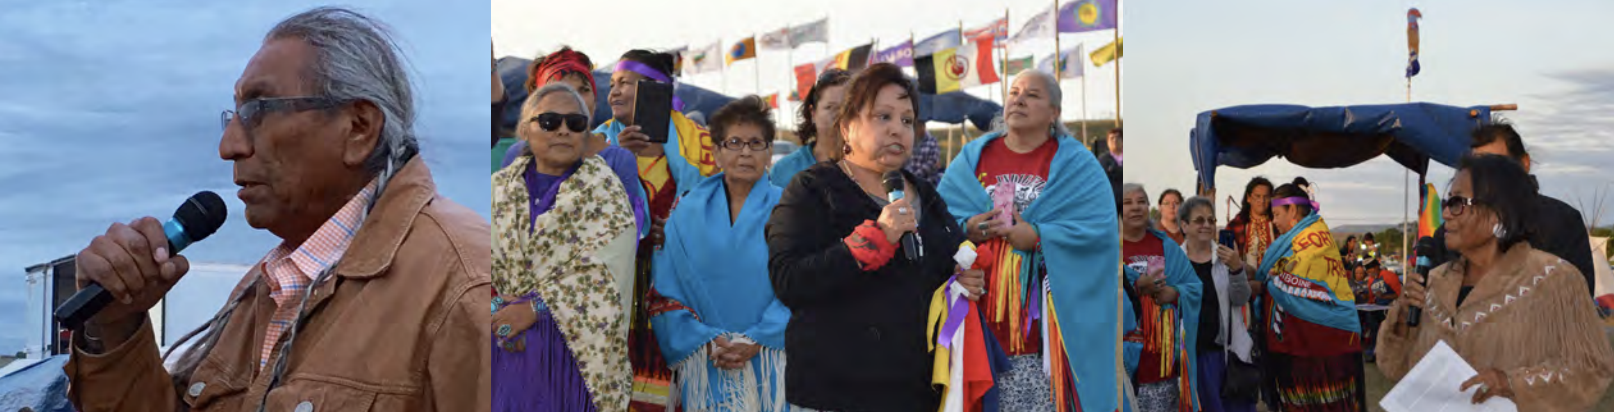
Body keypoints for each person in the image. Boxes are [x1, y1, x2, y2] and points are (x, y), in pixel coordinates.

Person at [63, 8, 490, 411]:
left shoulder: (469, 286)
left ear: (358, 128)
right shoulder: (269, 286)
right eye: (235, 114)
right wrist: (115, 326)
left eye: (258, 110)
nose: (229, 146)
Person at [766, 63, 985, 411]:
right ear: (848, 128)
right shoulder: (812, 188)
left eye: (907, 120)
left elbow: (949, 264)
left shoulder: (926, 194)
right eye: (882, 117)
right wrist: (873, 240)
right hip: (836, 393)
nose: (897, 129)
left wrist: (963, 281)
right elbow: (788, 280)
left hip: (915, 389)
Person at [937, 69, 1122, 412]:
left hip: (1047, 340)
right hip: (980, 328)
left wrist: (1039, 236)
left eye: (1033, 95)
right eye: (1014, 92)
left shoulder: (1078, 165)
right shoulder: (970, 159)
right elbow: (938, 222)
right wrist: (969, 227)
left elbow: (1099, 234)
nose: (1019, 99)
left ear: (1054, 112)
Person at [1378, 154, 1614, 411]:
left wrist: (1511, 383)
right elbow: (1394, 368)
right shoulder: (1433, 282)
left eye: (1457, 203)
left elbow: (1592, 370)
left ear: (1496, 214)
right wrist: (1402, 322)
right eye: (1447, 202)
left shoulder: (1554, 280)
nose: (1445, 213)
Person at [491, 83, 636, 410]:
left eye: (575, 123)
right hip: (500, 349)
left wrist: (536, 308)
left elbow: (608, 274)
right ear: (525, 130)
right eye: (549, 122)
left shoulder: (605, 193)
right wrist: (495, 308)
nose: (563, 131)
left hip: (571, 361)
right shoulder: (497, 191)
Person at [595, 49, 722, 410]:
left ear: (655, 90)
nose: (614, 92)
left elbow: (723, 205)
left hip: (679, 289)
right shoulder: (597, 142)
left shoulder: (699, 143)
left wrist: (685, 227)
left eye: (626, 84)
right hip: (616, 289)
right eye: (613, 84)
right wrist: (616, 159)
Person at [650, 96, 791, 411]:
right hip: (706, 361)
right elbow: (664, 289)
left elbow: (805, 282)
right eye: (734, 142)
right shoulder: (685, 210)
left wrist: (761, 338)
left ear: (770, 152)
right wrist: (707, 340)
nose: (745, 152)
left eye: (756, 143)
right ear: (715, 151)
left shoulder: (791, 208)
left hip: (773, 363)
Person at [1430, 124, 1596, 295]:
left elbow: (1577, 300)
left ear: (1524, 164)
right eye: (1475, 165)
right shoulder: (1447, 234)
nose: (1481, 174)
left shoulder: (1561, 222)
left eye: (1495, 164)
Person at [499, 47, 647, 237]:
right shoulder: (518, 155)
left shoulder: (618, 160)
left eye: (583, 90)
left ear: (595, 100)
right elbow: (503, 230)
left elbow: (624, 235)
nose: (574, 99)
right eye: (561, 89)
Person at [1249, 178, 1364, 411]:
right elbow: (1277, 274)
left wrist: (1265, 285)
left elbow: (1295, 283)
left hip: (1323, 353)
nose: (1274, 221)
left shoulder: (1315, 240)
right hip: (1298, 350)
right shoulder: (1294, 241)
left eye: (1277, 214)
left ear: (1292, 210)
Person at [1120, 184, 1204, 412]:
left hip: (1160, 363)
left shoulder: (1166, 245)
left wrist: (1174, 292)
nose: (1136, 207)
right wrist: (1135, 286)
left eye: (1141, 201)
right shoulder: (1107, 248)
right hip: (1117, 361)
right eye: (1128, 203)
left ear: (1149, 207)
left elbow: (1194, 287)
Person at [1176, 196, 1257, 412]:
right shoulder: (1174, 261)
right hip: (1190, 357)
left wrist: (1237, 268)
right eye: (1199, 220)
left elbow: (1240, 299)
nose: (1207, 225)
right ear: (1184, 225)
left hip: (1223, 356)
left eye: (1211, 220)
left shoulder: (1224, 258)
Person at [770, 69, 851, 188]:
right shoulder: (784, 171)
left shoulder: (872, 166)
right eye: (830, 107)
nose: (839, 115)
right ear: (813, 113)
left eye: (846, 107)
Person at [1226, 177, 1275, 272]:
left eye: (1266, 197)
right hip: (1243, 280)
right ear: (1248, 198)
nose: (1262, 201)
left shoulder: (1277, 225)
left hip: (1274, 281)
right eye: (1258, 196)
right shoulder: (1235, 226)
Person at [1098, 128, 1123, 212]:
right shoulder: (1102, 160)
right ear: (1107, 142)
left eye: (1118, 138)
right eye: (1112, 138)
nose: (1115, 140)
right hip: (1110, 200)